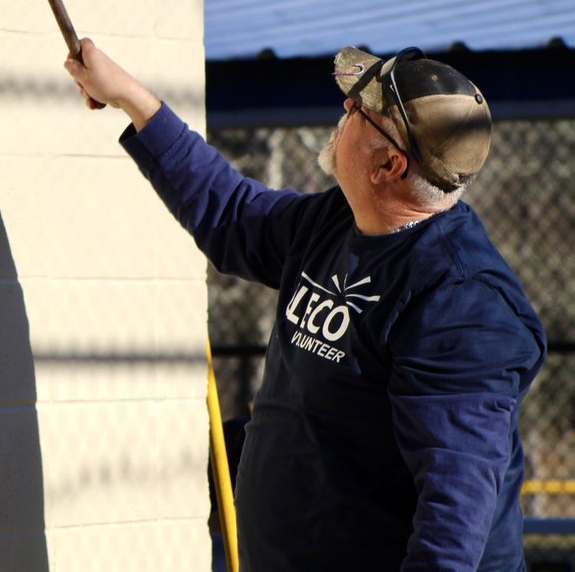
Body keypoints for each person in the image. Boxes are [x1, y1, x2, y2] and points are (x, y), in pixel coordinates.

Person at [65, 40, 546, 571]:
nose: (344, 111)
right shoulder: (338, 221)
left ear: (389, 163)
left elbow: (453, 518)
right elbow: (232, 215)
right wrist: (132, 98)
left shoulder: (463, 305)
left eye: (361, 111)